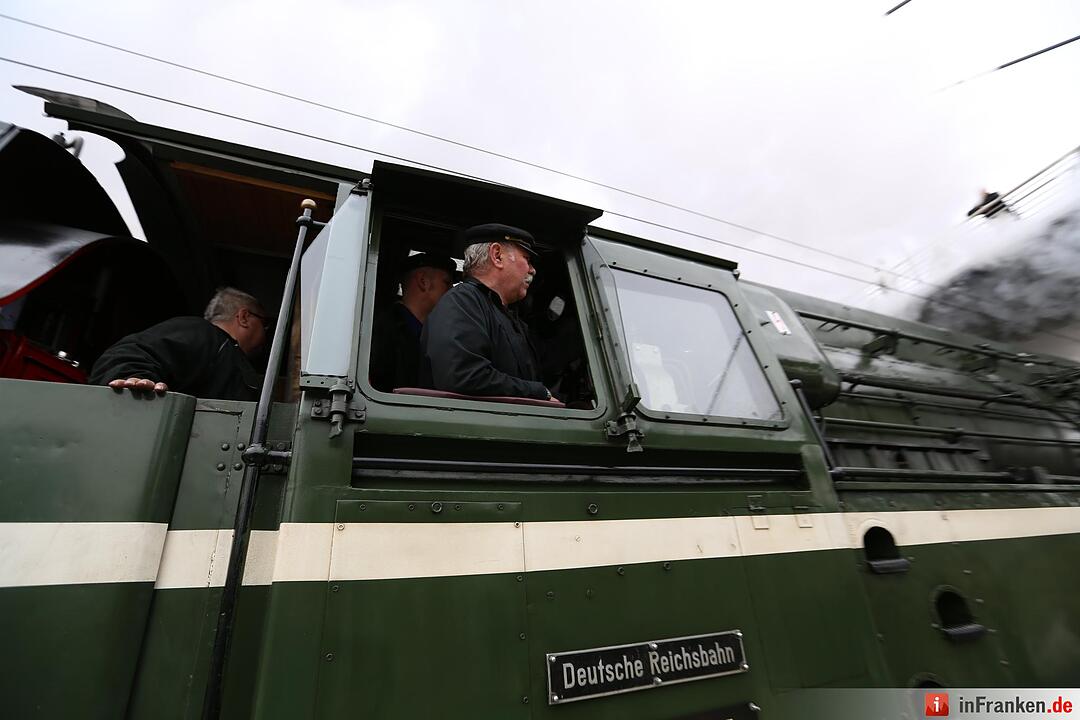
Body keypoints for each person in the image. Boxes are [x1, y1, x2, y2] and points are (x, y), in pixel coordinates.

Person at [419, 223, 553, 400]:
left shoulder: (508, 316)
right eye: (527, 259)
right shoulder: (463, 301)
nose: (532, 270)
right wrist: (539, 393)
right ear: (497, 256)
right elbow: (463, 375)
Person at [89, 287, 268, 400]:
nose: (266, 333)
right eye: (264, 324)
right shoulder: (203, 333)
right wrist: (133, 379)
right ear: (244, 318)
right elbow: (133, 353)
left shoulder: (227, 353)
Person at [369, 252, 455, 390]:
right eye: (447, 283)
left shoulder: (434, 332)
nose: (452, 291)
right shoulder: (385, 330)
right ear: (423, 282)